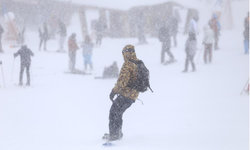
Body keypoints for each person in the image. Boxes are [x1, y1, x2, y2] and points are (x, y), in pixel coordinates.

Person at [105, 45, 140, 141]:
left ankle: (114, 135)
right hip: (133, 95)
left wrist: (113, 91)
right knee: (118, 112)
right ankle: (117, 133)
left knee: (114, 112)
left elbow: (122, 82)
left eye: (123, 53)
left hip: (126, 94)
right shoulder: (138, 63)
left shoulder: (128, 64)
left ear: (126, 53)